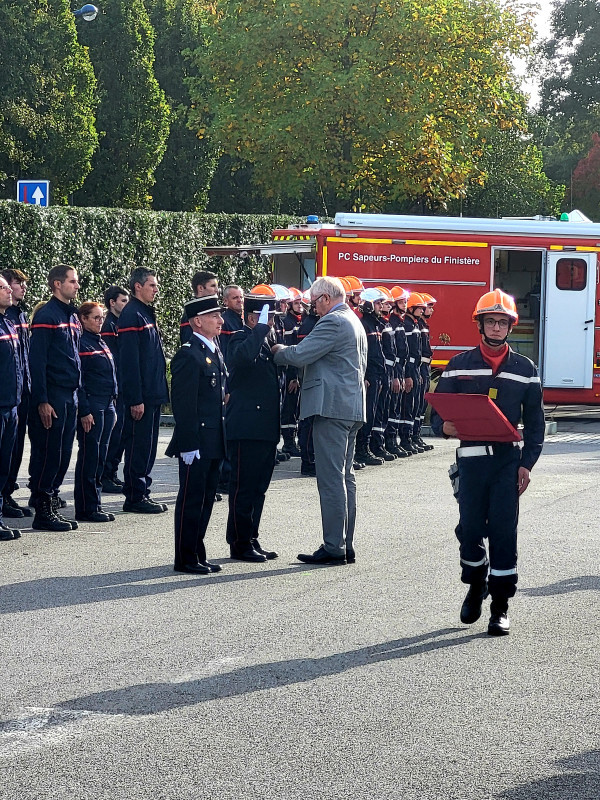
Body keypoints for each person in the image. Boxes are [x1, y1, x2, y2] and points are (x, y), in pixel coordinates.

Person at [431, 289, 545, 636]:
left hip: (507, 464)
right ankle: (475, 581)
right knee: (468, 530)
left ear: (511, 326)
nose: (496, 327)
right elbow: (438, 411)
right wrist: (443, 428)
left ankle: (500, 606)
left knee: (502, 533)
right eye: (490, 321)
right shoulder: (459, 366)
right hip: (470, 461)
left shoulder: (526, 369)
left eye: (502, 322)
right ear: (479, 325)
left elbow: (537, 422)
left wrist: (527, 464)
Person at [273, 276, 367, 565]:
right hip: (349, 407)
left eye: (314, 303)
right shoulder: (352, 319)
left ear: (325, 298)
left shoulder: (333, 321)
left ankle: (334, 546)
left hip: (332, 408)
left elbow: (302, 354)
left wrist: (278, 352)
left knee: (330, 479)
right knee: (345, 477)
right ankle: (344, 543)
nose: (313, 309)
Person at [166, 296, 227, 574]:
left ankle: (197, 551)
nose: (220, 320)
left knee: (205, 498)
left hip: (214, 438)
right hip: (198, 441)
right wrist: (189, 443)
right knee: (192, 499)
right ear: (198, 321)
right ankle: (185, 557)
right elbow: (183, 404)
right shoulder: (188, 354)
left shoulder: (213, 350)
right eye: (214, 316)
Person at [225, 287, 280, 563]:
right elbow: (241, 359)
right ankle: (239, 541)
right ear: (251, 318)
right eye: (265, 318)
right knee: (243, 486)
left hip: (265, 427)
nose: (270, 324)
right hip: (246, 427)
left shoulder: (265, 341)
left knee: (259, 487)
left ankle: (252, 536)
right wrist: (259, 330)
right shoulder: (240, 337)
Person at [28, 264, 81, 532]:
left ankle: (50, 498)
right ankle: (42, 509)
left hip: (70, 393)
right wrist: (43, 400)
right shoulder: (47, 315)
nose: (77, 285)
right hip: (54, 394)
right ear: (57, 284)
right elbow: (37, 362)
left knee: (63, 453)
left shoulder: (71, 316)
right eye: (72, 281)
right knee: (50, 452)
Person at [118, 267, 169, 514]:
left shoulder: (145, 313)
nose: (156, 289)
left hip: (153, 392)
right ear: (137, 286)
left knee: (148, 447)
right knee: (139, 446)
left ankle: (142, 491)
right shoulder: (132, 315)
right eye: (152, 285)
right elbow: (130, 361)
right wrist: (135, 398)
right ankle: (136, 495)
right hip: (142, 396)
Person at [74, 302, 118, 523]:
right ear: (83, 319)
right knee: (90, 457)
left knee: (100, 457)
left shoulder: (99, 340)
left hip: (107, 403)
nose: (101, 321)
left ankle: (95, 504)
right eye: (96, 318)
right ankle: (86, 507)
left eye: (102, 317)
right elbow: (79, 380)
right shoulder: (82, 342)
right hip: (93, 404)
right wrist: (85, 410)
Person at [1, 268, 33, 518]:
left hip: (19, 392)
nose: (18, 288)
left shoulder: (17, 315)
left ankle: (7, 492)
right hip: (6, 395)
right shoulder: (7, 316)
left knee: (15, 448)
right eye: (14, 284)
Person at [0, 276, 23, 541]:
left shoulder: (9, 322)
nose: (9, 291)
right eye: (3, 287)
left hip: (11, 404)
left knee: (4, 466)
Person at [355, 287, 388, 467]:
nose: (381, 306)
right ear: (368, 305)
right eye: (377, 303)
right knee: (365, 415)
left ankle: (365, 448)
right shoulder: (364, 325)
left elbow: (379, 353)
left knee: (373, 413)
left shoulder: (376, 324)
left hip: (377, 376)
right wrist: (366, 375)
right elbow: (362, 353)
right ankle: (361, 450)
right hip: (369, 377)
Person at [100, 285, 129, 493]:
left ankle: (111, 472)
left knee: (121, 434)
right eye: (123, 301)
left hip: (122, 385)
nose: (126, 305)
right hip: (115, 386)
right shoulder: (108, 325)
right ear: (112, 303)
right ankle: (106, 474)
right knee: (114, 433)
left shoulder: (120, 323)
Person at [399, 292, 425, 455]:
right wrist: (408, 373)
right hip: (409, 369)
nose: (422, 311)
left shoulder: (413, 324)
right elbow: (406, 352)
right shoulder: (407, 325)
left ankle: (410, 437)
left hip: (415, 369)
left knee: (415, 405)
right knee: (407, 406)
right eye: (420, 308)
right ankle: (405, 438)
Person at [280, 287, 305, 457]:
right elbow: (289, 351)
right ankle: (288, 442)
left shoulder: (297, 321)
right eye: (296, 303)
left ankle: (292, 440)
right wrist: (293, 376)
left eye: (301, 303)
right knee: (288, 408)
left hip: (294, 372)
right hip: (289, 373)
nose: (300, 306)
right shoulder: (288, 323)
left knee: (294, 408)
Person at [180, 270, 219, 345]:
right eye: (213, 286)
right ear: (200, 288)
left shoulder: (210, 309)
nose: (217, 290)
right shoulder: (191, 314)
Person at [218, 284, 244, 363]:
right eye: (235, 298)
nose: (239, 300)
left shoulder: (247, 319)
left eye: (241, 297)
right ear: (225, 301)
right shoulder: (223, 321)